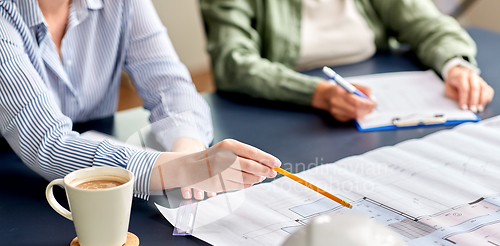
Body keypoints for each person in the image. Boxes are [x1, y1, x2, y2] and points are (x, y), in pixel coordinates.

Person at [0, 0, 281, 201]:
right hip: (14, 182)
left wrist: (189, 149)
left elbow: (169, 83)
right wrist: (185, 168)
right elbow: (49, 143)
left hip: (95, 179)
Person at [201, 0, 495, 122]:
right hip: (285, 107)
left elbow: (429, 24)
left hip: (381, 95)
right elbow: (233, 62)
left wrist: (455, 64)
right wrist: (317, 93)